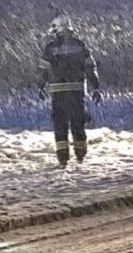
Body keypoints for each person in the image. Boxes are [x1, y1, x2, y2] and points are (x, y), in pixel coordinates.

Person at [38, 15, 102, 168]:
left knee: (60, 126)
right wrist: (96, 87)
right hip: (76, 93)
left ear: (59, 29)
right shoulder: (80, 46)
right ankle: (80, 155)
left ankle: (62, 159)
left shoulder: (50, 48)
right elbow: (90, 67)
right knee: (77, 124)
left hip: (58, 94)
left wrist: (40, 86)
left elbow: (43, 70)